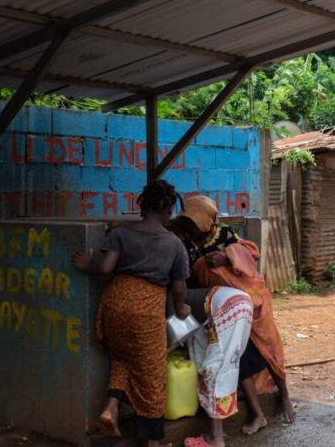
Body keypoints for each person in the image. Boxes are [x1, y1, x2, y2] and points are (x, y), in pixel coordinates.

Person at [73, 180, 191, 447]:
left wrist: (86, 263)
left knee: (122, 358)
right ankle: (151, 441)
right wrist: (181, 307)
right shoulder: (174, 244)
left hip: (114, 302)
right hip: (145, 309)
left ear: (143, 204)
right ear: (169, 209)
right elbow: (179, 287)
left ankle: (110, 409)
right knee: (151, 373)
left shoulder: (120, 234)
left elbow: (104, 268)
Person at [170, 196, 295, 438]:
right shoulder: (187, 243)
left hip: (253, 297)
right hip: (225, 307)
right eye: (189, 222)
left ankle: (285, 396)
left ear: (209, 220)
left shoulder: (223, 233)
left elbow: (251, 252)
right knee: (240, 357)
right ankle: (258, 414)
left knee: (269, 349)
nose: (192, 227)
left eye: (195, 222)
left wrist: (226, 258)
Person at [184, 286, 254, 447]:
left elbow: (199, 351)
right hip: (243, 300)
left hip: (228, 306)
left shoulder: (176, 299)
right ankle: (216, 434)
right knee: (228, 364)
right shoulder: (196, 299)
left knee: (215, 369)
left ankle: (216, 438)